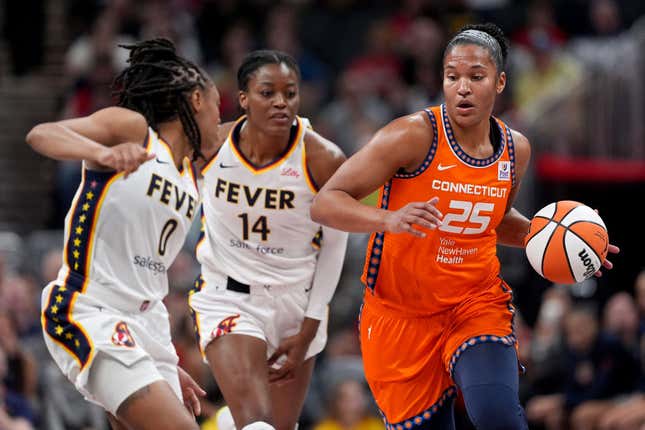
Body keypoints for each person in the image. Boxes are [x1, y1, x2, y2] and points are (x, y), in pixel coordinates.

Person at [311, 23, 620, 430]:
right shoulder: (411, 136)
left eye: (476, 77)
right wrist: (387, 218)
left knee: (498, 416)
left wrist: (559, 242)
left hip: (473, 304)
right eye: (452, 76)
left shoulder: (515, 149)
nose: (462, 87)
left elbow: (492, 222)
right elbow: (325, 202)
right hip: (400, 315)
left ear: (500, 82)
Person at [26, 38, 220, 430]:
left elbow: (146, 273)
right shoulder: (133, 131)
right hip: (89, 310)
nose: (221, 117)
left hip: (145, 329)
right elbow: (41, 134)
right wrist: (100, 154)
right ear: (197, 100)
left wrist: (156, 361)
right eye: (219, 106)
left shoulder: (191, 179)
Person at [189, 50, 348, 430]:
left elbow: (335, 245)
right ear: (243, 98)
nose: (281, 102)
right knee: (257, 424)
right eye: (267, 92)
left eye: (290, 93)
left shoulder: (322, 158)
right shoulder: (210, 147)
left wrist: (309, 327)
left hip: (297, 303)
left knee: (278, 426)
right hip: (229, 297)